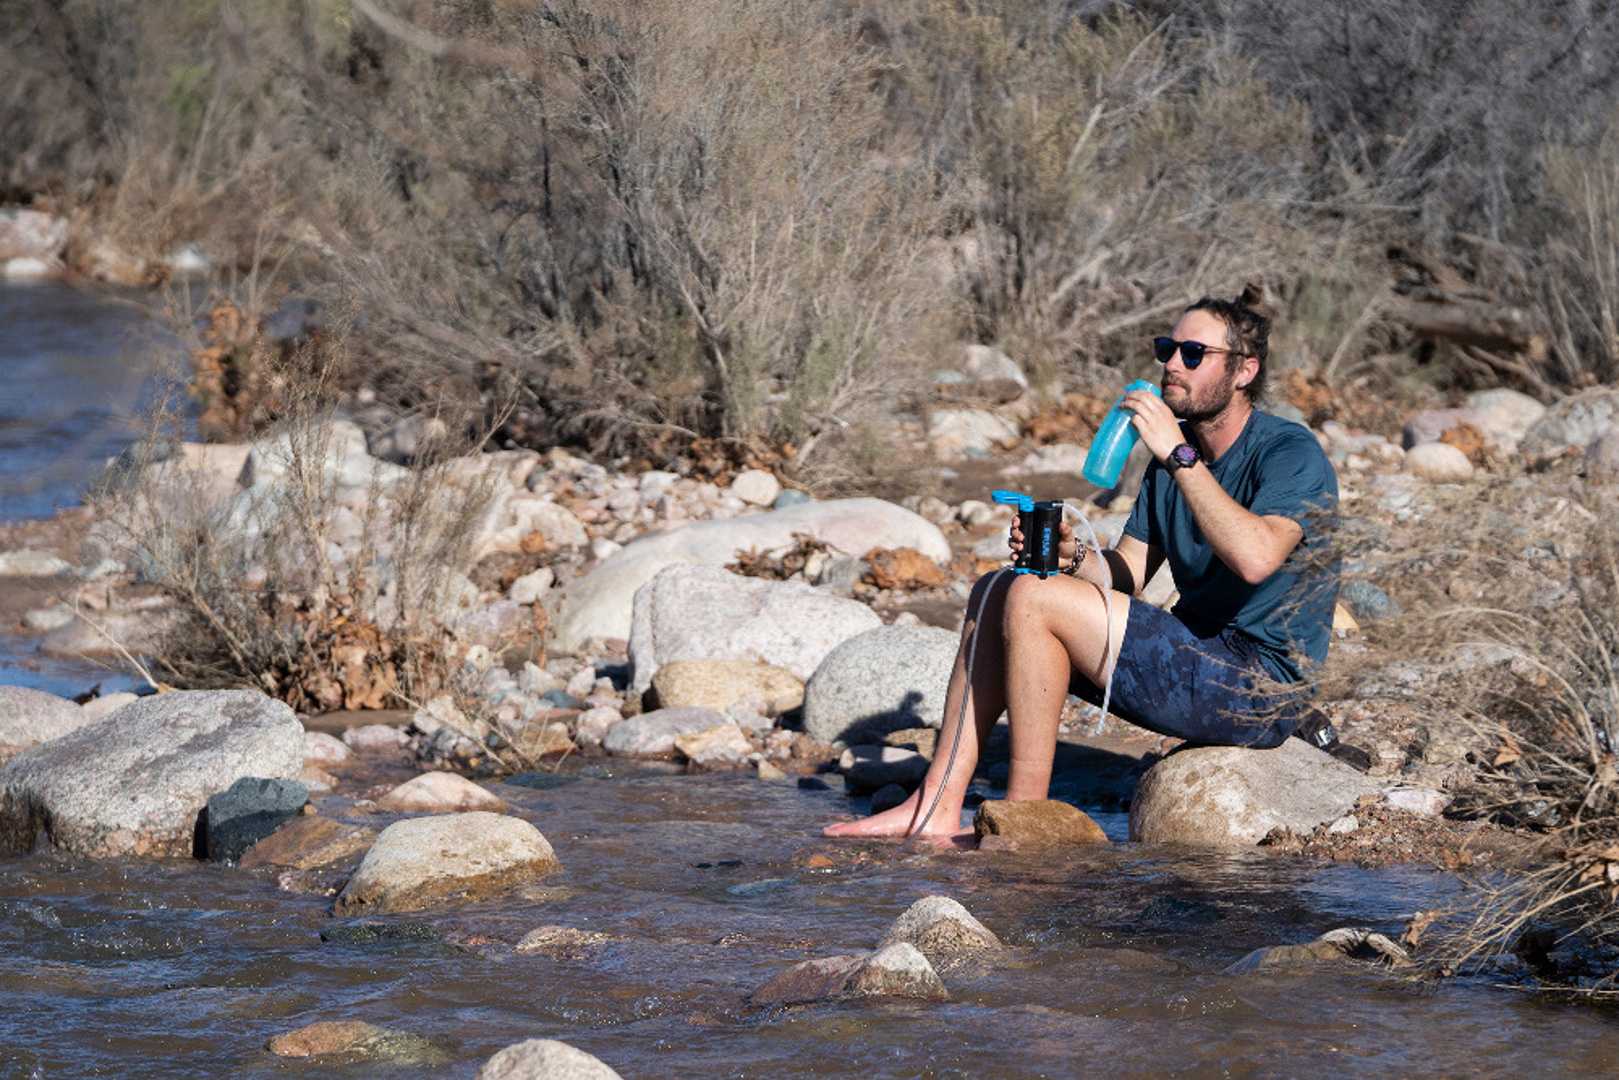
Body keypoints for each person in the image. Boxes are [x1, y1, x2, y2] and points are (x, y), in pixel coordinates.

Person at [824, 288, 1360, 842]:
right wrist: (1072, 555)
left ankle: (1022, 824)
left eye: (1193, 354)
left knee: (1033, 599)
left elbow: (1255, 558)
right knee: (1000, 587)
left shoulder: (1289, 453)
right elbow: (1128, 572)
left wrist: (1178, 454)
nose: (1171, 366)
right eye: (1167, 349)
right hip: (1194, 657)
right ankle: (934, 804)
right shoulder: (1169, 466)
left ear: (1244, 370)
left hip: (1259, 689)